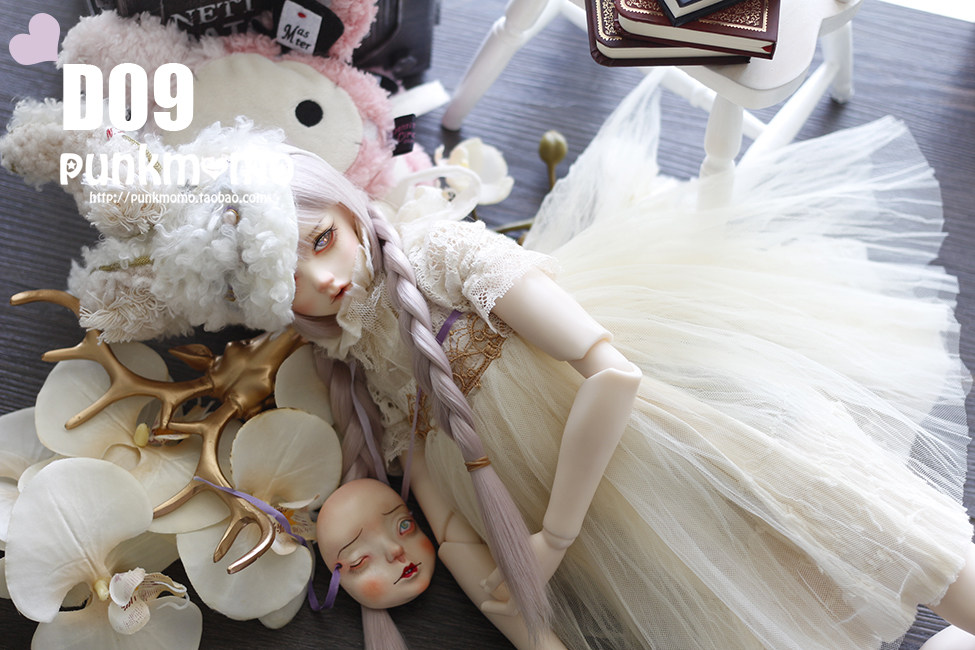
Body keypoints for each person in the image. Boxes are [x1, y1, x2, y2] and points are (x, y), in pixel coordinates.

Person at [65, 76, 974, 649]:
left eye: (321, 240)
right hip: (565, 496)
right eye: (290, 282)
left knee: (855, 517)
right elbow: (433, 491)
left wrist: (553, 539)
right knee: (748, 590)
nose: (325, 281)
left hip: (637, 424)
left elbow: (612, 372)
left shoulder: (442, 255)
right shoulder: (354, 359)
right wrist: (511, 591)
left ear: (344, 206)